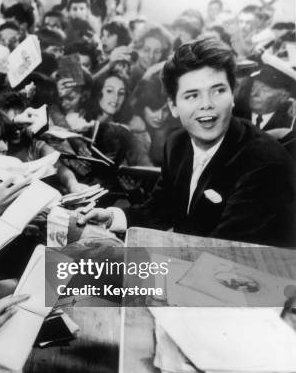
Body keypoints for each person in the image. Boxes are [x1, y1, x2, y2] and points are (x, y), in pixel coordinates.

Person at [78, 38, 296, 247]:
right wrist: (112, 217)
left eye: (218, 91)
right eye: (192, 95)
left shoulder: (265, 163)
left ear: (232, 96)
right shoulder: (177, 143)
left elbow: (223, 251)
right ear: (173, 106)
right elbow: (160, 209)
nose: (207, 105)